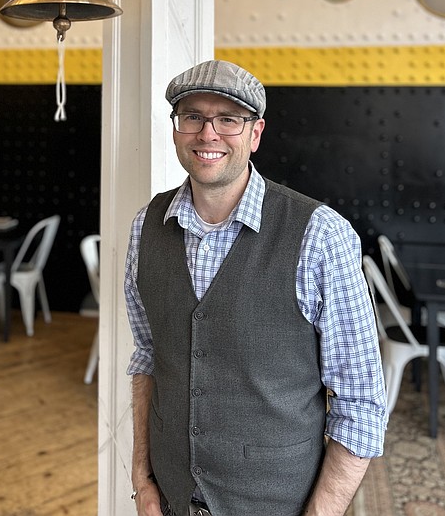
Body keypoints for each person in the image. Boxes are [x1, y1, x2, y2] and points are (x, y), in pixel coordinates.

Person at [124, 59, 386, 516]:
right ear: (176, 129)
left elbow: (361, 401)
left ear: (255, 133)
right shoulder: (146, 226)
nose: (208, 134)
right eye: (193, 117)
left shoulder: (320, 234)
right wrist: (142, 479)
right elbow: (148, 357)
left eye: (229, 119)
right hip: (168, 502)